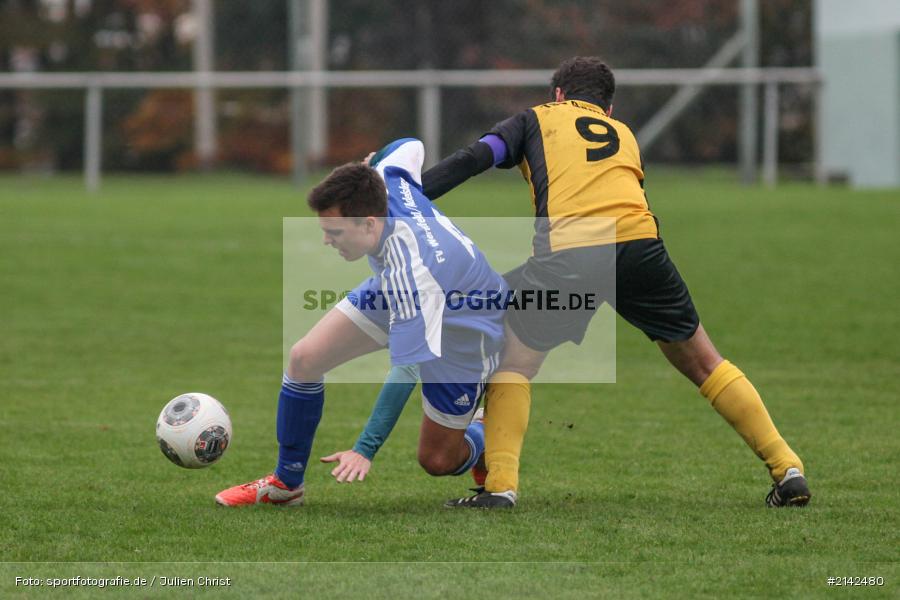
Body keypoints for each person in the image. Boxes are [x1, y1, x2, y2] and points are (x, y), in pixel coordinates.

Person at [423, 56, 810, 509]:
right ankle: (788, 469)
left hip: (572, 253)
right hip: (640, 246)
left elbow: (477, 157)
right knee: (705, 362)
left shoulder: (535, 119)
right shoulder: (623, 133)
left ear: (559, 95)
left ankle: (500, 488)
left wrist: (408, 193)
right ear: (608, 107)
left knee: (514, 361)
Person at [215, 138, 506, 506]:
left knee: (437, 460)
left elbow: (406, 371)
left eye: (334, 232)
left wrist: (364, 449)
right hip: (402, 291)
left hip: (468, 323)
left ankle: (482, 434)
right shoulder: (386, 178)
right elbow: (410, 144)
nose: (325, 240)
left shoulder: (413, 270)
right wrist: (374, 160)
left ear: (369, 225)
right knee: (305, 359)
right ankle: (286, 485)